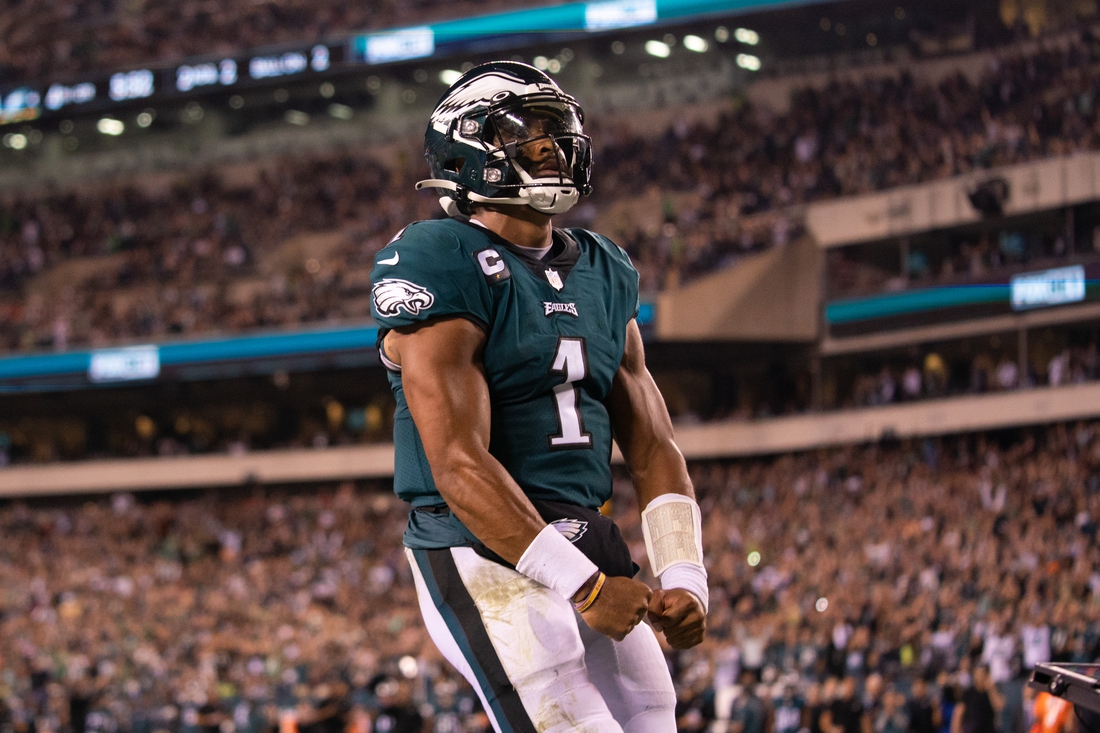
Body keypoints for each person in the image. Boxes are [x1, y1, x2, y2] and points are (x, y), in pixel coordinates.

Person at [369, 61, 708, 733]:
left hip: (582, 533)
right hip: (482, 545)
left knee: (653, 716)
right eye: (524, 133)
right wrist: (584, 586)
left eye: (556, 131)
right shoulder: (438, 256)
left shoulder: (603, 267)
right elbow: (456, 462)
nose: (551, 147)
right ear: (466, 152)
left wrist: (683, 573)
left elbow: (652, 444)